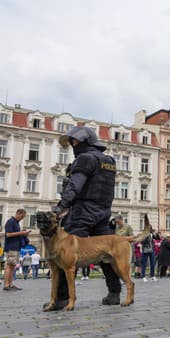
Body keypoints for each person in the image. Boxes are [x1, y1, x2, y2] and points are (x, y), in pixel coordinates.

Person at [44, 127, 119, 309]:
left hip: (82, 212)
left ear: (86, 142)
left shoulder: (84, 159)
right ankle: (114, 293)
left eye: (75, 142)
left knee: (65, 253)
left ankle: (62, 298)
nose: (73, 145)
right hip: (103, 212)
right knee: (106, 253)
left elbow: (75, 186)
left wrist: (62, 206)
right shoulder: (109, 161)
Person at [4, 209, 30, 291]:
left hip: (15, 247)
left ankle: (10, 284)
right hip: (11, 247)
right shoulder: (11, 222)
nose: (22, 218)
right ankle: (6, 285)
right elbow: (8, 234)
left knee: (12, 266)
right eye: (22, 216)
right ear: (18, 213)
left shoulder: (16, 223)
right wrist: (22, 233)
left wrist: (22, 232)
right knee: (9, 266)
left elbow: (14, 234)